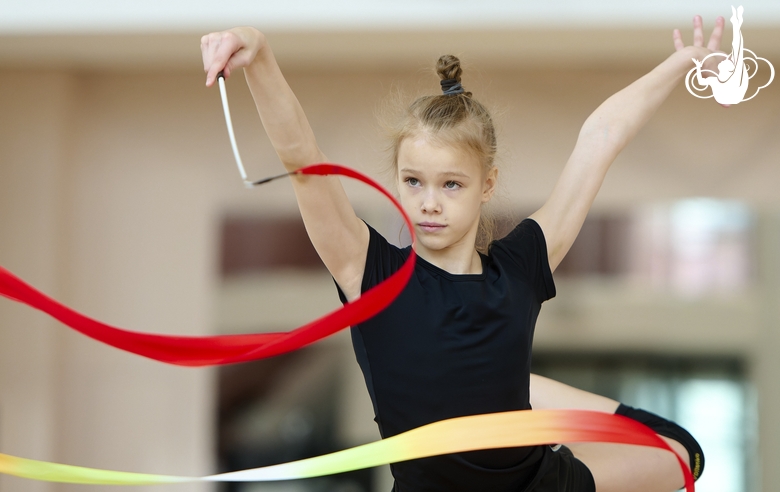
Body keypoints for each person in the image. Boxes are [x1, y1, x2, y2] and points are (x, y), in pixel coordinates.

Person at [201, 13, 724, 492]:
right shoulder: (374, 275)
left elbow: (600, 138)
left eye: (451, 184)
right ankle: (521, 393)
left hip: (538, 485)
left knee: (682, 451)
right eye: (414, 182)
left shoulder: (519, 269)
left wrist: (680, 63)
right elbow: (302, 159)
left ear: (486, 184)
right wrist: (260, 55)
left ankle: (522, 396)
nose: (429, 204)